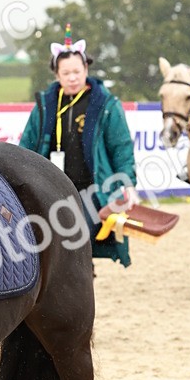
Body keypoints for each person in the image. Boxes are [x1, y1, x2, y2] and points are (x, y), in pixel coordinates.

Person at [19, 28, 138, 268]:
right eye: (66, 73)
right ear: (57, 74)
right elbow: (26, 149)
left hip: (93, 191)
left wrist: (128, 185)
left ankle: (81, 278)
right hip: (50, 189)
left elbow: (121, 147)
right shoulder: (44, 106)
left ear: (86, 70)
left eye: (76, 71)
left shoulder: (106, 105)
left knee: (73, 238)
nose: (72, 77)